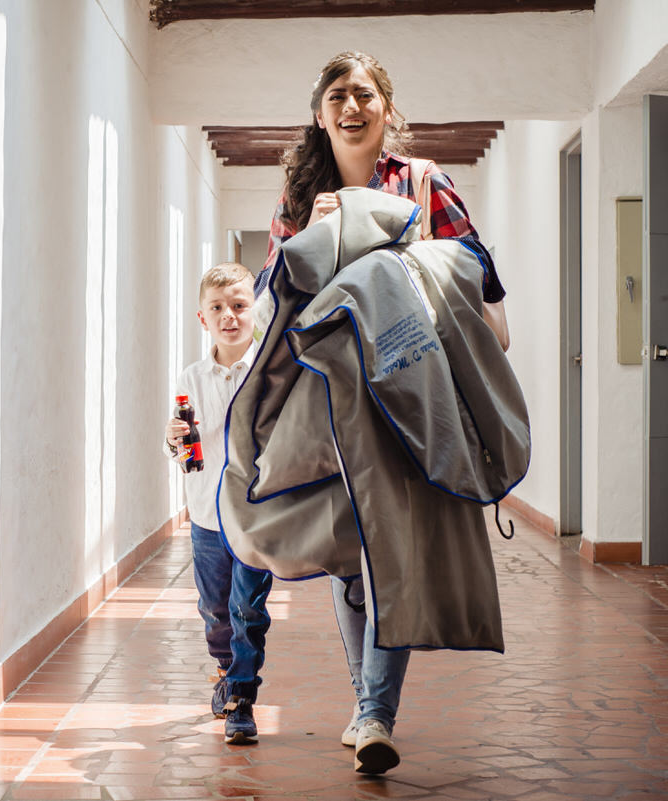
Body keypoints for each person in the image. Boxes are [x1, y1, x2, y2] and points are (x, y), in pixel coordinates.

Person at [255, 51, 510, 774]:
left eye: (364, 94)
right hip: (332, 403)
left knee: (385, 549)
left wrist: (398, 238)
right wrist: (317, 238)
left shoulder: (425, 182)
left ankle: (375, 711)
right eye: (337, 95)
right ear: (319, 113)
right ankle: (366, 697)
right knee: (351, 563)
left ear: (386, 108)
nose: (351, 107)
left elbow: (479, 277)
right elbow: (279, 299)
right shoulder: (299, 199)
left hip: (411, 393)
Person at [164, 262, 273, 745]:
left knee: (248, 609)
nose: (229, 316)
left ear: (255, 312)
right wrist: (173, 438)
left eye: (239, 306)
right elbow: (184, 446)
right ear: (202, 318)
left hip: (255, 514)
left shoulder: (271, 371)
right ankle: (227, 669)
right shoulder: (192, 376)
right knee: (215, 609)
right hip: (207, 514)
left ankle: (241, 699)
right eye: (217, 308)